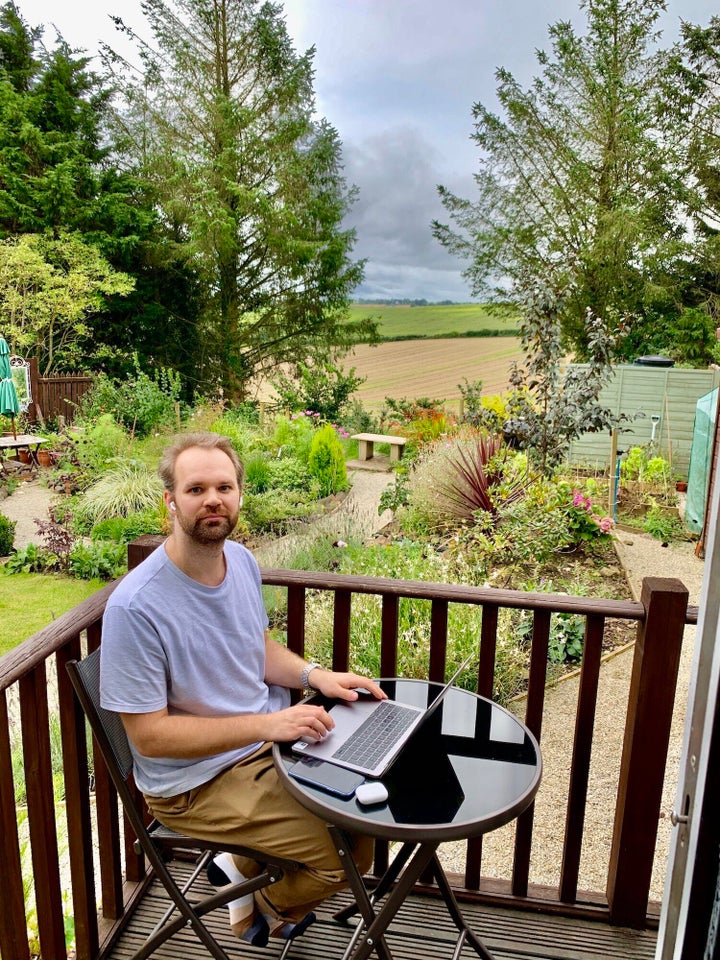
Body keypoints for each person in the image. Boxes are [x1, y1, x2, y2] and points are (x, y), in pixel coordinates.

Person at [100, 431, 386, 947]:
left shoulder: (242, 563)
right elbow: (150, 738)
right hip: (193, 784)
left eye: (224, 486)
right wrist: (269, 724)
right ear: (169, 500)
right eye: (195, 489)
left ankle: (237, 868)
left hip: (260, 749)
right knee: (349, 855)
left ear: (239, 496)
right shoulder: (136, 608)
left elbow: (254, 648)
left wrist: (314, 677)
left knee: (364, 805)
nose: (213, 499)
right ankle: (264, 908)